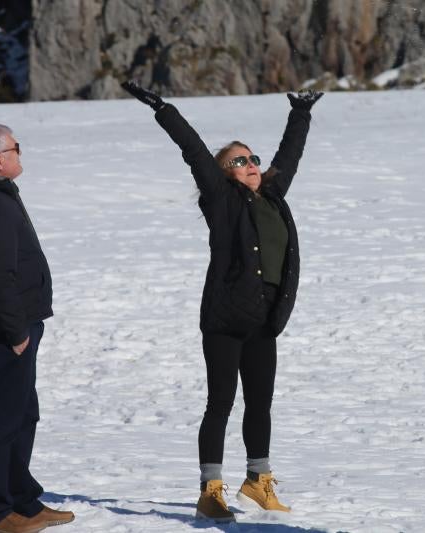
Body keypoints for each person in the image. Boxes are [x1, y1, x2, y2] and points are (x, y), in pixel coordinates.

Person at [122, 80, 321, 522]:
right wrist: (164, 109)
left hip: (265, 321)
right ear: (224, 171)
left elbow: (289, 156)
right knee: (220, 403)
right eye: (240, 161)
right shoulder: (221, 200)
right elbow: (192, 148)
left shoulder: (271, 195)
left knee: (261, 404)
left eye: (253, 159)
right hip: (226, 320)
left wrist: (300, 114)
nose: (251, 165)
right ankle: (210, 490)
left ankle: (258, 480)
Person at [0, 124, 75, 533]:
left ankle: (22, 501)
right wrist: (15, 330)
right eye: (17, 148)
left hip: (17, 325)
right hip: (6, 332)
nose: (22, 154)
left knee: (22, 414)